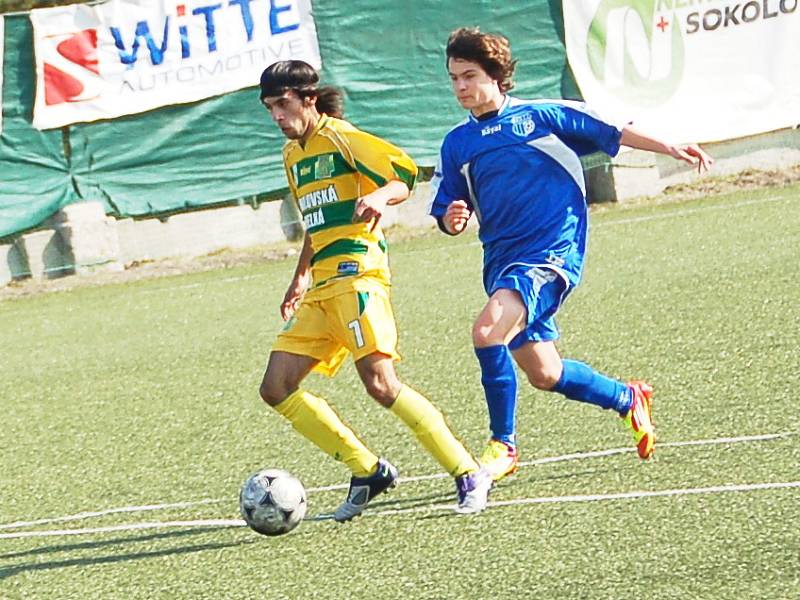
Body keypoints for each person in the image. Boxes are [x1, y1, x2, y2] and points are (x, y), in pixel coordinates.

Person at [429, 28, 714, 482]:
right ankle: (627, 398)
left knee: (486, 333)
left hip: (550, 254)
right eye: (454, 78)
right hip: (501, 262)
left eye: (469, 76)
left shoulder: (543, 117)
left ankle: (503, 444)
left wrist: (671, 146)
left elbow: (614, 130)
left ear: (497, 76)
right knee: (545, 372)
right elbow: (446, 206)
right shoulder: (456, 144)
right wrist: (452, 218)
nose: (460, 87)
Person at [257, 60, 492, 520]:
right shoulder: (292, 156)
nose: (278, 117)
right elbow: (315, 221)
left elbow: (404, 173)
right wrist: (299, 276)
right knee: (276, 387)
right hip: (323, 287)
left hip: (359, 277)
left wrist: (380, 197)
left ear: (308, 99)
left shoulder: (341, 137)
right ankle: (368, 470)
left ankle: (467, 472)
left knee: (381, 385)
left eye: (283, 105)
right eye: (270, 109)